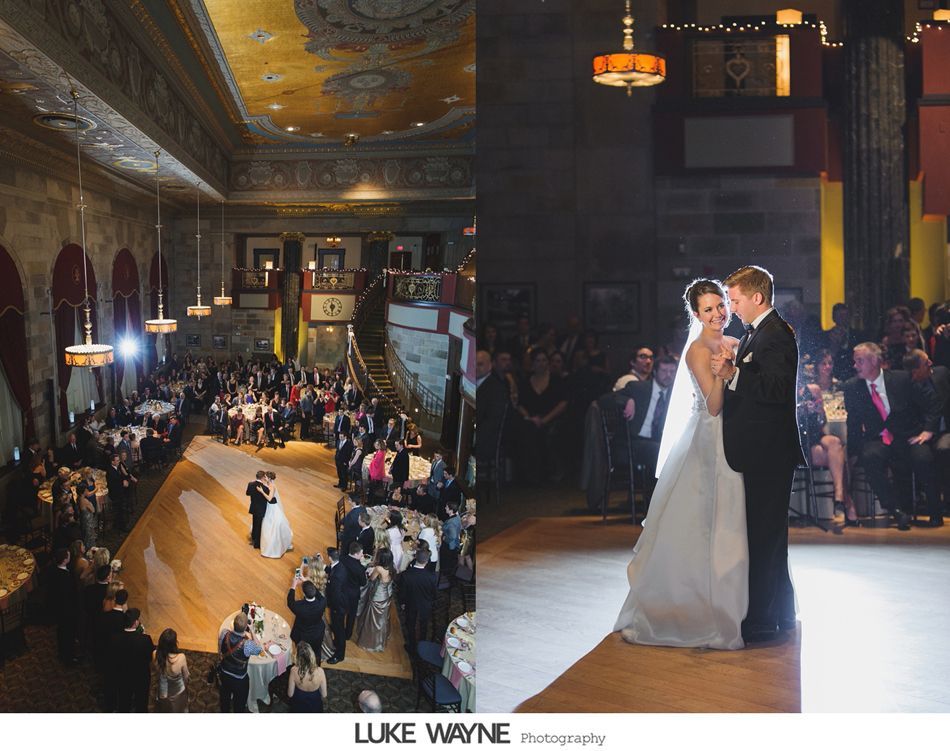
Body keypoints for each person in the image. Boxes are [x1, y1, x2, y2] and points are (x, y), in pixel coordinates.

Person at [612, 279, 749, 650]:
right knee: (700, 521)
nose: (718, 314)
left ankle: (736, 601)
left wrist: (735, 367)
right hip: (708, 439)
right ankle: (695, 607)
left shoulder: (735, 343)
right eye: (708, 310)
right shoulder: (698, 351)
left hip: (734, 436)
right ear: (696, 314)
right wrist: (724, 373)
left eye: (720, 305)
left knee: (731, 522)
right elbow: (715, 405)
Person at [712, 267, 805, 643]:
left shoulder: (775, 335)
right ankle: (779, 612)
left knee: (764, 537)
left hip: (769, 452)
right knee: (768, 536)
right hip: (761, 450)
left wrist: (734, 373)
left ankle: (762, 620)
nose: (731, 308)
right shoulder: (761, 333)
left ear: (757, 298)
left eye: (734, 300)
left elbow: (778, 388)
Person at [843, 342, 941, 528]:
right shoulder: (852, 387)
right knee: (869, 456)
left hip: (908, 436)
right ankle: (896, 511)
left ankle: (935, 511)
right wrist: (853, 451)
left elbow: (932, 404)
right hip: (879, 438)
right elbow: (853, 422)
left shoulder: (901, 379)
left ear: (874, 361)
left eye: (860, 361)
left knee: (924, 458)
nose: (855, 366)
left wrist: (928, 430)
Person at [326, 542, 367, 664]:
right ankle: (347, 633)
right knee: (351, 615)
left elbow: (332, 570)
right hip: (351, 595)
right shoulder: (359, 568)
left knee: (338, 625)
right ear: (357, 553)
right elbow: (363, 583)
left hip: (341, 597)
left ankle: (341, 643)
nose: (362, 554)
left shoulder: (341, 559)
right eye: (361, 553)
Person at [218, 611, 263, 712]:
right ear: (246, 626)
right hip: (239, 679)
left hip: (224, 673)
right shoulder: (247, 644)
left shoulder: (224, 633)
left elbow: (220, 650)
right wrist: (251, 630)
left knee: (224, 698)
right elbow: (259, 649)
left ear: (233, 624)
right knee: (239, 704)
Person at [355, 548, 397, 651]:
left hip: (378, 595)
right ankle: (381, 639)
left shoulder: (379, 568)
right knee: (382, 617)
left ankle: (370, 641)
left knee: (373, 619)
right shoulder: (392, 567)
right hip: (387, 594)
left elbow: (372, 578)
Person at [114, 608, 155, 712]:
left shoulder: (115, 638)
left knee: (124, 702)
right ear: (136, 622)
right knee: (141, 703)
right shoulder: (145, 639)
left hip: (122, 676)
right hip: (140, 677)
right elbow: (150, 657)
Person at [399, 548, 437, 650]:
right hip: (425, 604)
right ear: (427, 560)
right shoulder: (432, 576)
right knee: (424, 625)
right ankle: (422, 645)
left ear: (415, 557)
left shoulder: (406, 574)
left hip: (411, 604)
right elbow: (434, 593)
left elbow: (402, 592)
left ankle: (411, 645)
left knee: (410, 624)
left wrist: (402, 603)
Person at [50, 547, 79, 664]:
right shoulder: (65, 578)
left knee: (62, 632)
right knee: (68, 634)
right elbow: (69, 597)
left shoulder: (55, 571)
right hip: (67, 612)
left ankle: (63, 653)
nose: (70, 557)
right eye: (68, 556)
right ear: (65, 560)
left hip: (59, 611)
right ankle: (69, 657)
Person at [287, 577, 327, 660]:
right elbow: (319, 595)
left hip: (302, 635)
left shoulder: (299, 606)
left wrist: (293, 585)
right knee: (316, 652)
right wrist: (306, 582)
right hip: (317, 633)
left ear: (304, 594)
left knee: (302, 655)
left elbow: (290, 602)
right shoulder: (322, 602)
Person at [155, 628, 189, 712]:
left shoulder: (155, 653)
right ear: (174, 643)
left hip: (163, 689)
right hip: (177, 691)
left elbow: (157, 672)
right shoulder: (181, 657)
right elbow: (186, 676)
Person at [260, 471, 293, 558]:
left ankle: (273, 547)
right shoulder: (268, 484)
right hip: (269, 507)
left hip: (272, 507)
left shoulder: (272, 486)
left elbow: (270, 498)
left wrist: (261, 492)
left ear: (270, 478)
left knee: (273, 525)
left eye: (266, 477)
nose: (264, 478)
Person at [288, 641, 327, 712]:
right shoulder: (320, 671)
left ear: (298, 657)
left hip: (298, 704)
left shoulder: (293, 670)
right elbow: (324, 695)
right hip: (315, 705)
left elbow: (290, 694)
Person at [245, 470, 269, 549]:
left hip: (253, 508)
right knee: (259, 526)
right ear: (262, 477)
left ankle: (253, 539)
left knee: (255, 524)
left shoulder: (250, 484)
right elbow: (268, 499)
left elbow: (247, 493)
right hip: (261, 509)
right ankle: (257, 544)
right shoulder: (265, 488)